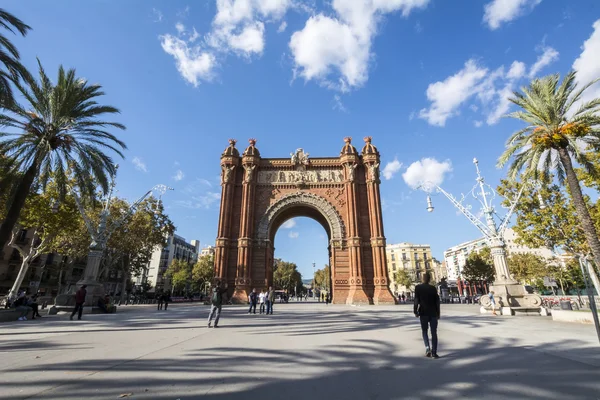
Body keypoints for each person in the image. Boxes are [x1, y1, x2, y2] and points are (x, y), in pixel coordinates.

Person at [414, 273, 440, 359]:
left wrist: (415, 311)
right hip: (433, 313)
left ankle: (427, 348)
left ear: (422, 279)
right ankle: (434, 353)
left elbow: (416, 300)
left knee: (424, 331)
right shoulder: (433, 288)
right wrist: (438, 313)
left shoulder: (418, 288)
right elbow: (437, 302)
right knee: (434, 333)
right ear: (429, 279)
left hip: (423, 313)